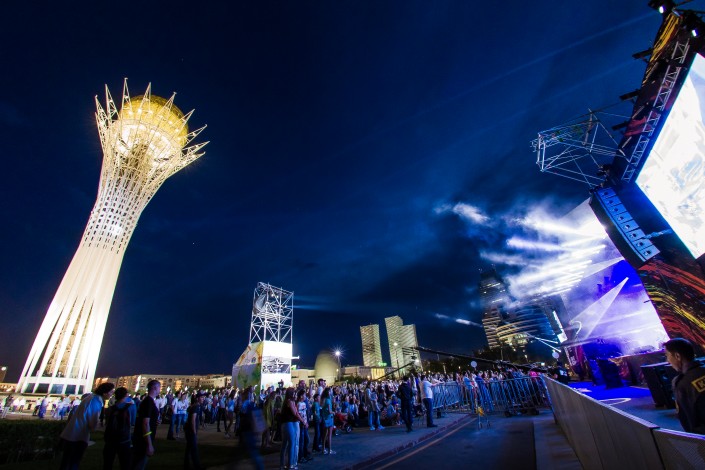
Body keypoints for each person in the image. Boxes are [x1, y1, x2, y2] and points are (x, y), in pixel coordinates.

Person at [59, 382, 115, 470]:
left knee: (67, 460)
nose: (112, 394)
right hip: (78, 435)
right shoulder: (96, 401)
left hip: (74, 433)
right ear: (105, 392)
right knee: (73, 461)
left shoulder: (92, 397)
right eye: (111, 392)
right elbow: (93, 419)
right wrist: (95, 427)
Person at [665, 338, 705, 434]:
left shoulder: (682, 383)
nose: (668, 361)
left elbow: (687, 419)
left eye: (667, 356)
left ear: (677, 356)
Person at [132, 379, 162, 469]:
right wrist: (149, 444)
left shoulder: (149, 401)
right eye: (159, 387)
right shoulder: (148, 402)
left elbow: (146, 419)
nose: (160, 390)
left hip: (144, 438)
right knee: (139, 464)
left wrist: (155, 421)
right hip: (143, 441)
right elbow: (145, 423)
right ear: (155, 388)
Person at [104, 386, 136, 470]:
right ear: (126, 395)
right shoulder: (131, 407)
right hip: (125, 439)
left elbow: (107, 422)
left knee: (108, 463)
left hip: (110, 439)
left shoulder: (110, 409)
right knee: (125, 464)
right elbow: (133, 422)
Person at [280, 387, 306, 469]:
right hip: (288, 423)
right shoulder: (290, 401)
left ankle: (282, 464)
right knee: (292, 443)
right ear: (291, 394)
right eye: (294, 393)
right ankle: (290, 464)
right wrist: (303, 421)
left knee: (284, 445)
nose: (295, 394)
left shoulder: (288, 401)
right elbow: (295, 413)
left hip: (285, 424)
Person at [184, 392, 204, 470]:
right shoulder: (196, 407)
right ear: (197, 398)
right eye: (201, 398)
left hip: (189, 429)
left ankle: (186, 465)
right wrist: (194, 431)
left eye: (203, 397)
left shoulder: (195, 406)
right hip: (191, 430)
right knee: (194, 449)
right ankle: (197, 466)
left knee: (189, 448)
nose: (203, 399)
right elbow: (193, 420)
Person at [320, 387, 336, 455]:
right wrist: (333, 412)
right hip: (329, 418)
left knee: (324, 435)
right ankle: (329, 450)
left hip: (325, 418)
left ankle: (323, 449)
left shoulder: (323, 399)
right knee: (329, 435)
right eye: (330, 391)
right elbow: (329, 411)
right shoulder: (328, 400)